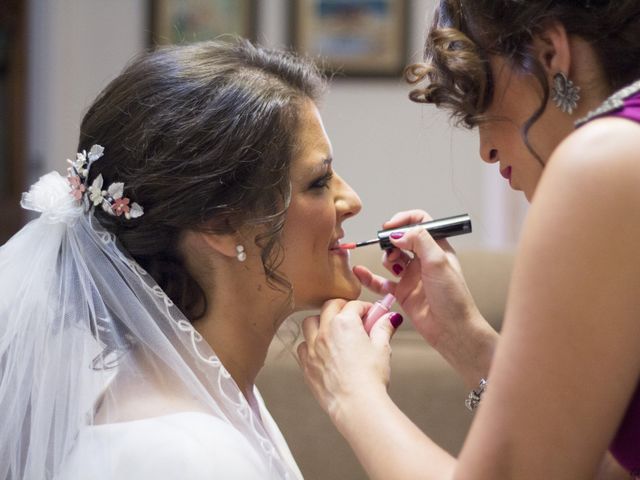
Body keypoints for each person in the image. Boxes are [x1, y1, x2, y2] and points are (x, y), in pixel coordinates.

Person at [297, 1, 640, 478]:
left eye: (485, 97)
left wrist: (351, 393)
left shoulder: (607, 160)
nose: (485, 150)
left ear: (550, 51)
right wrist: (465, 338)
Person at [0, 39, 364, 479]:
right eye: (319, 181)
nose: (352, 200)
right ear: (222, 225)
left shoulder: (217, 395)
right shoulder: (184, 455)